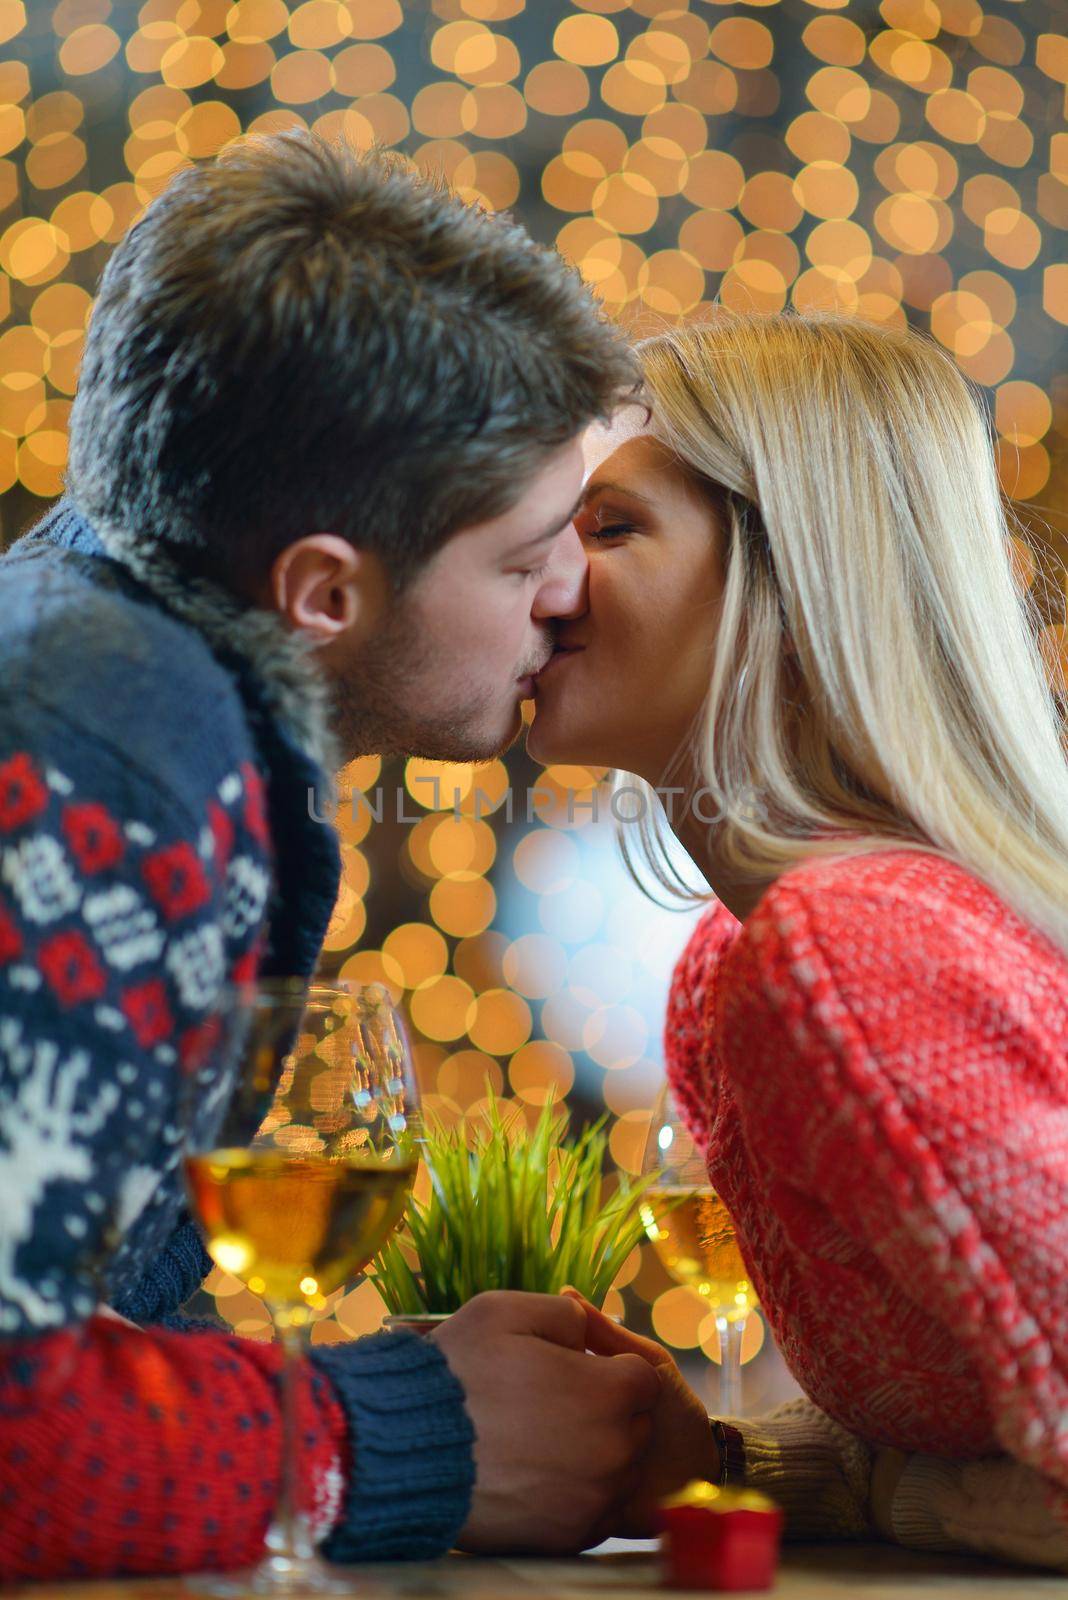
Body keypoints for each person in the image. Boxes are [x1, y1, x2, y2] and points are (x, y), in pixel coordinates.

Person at [0, 132, 666, 1581]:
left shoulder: (108, 666)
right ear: (323, 592)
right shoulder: (107, 760)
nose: (572, 595)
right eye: (525, 552)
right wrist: (387, 1434)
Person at [527, 310, 1068, 1571]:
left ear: (797, 578)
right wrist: (714, 1467)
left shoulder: (843, 951)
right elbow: (971, 1420)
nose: (543, 579)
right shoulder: (739, 958)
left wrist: (895, 1503)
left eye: (607, 528)